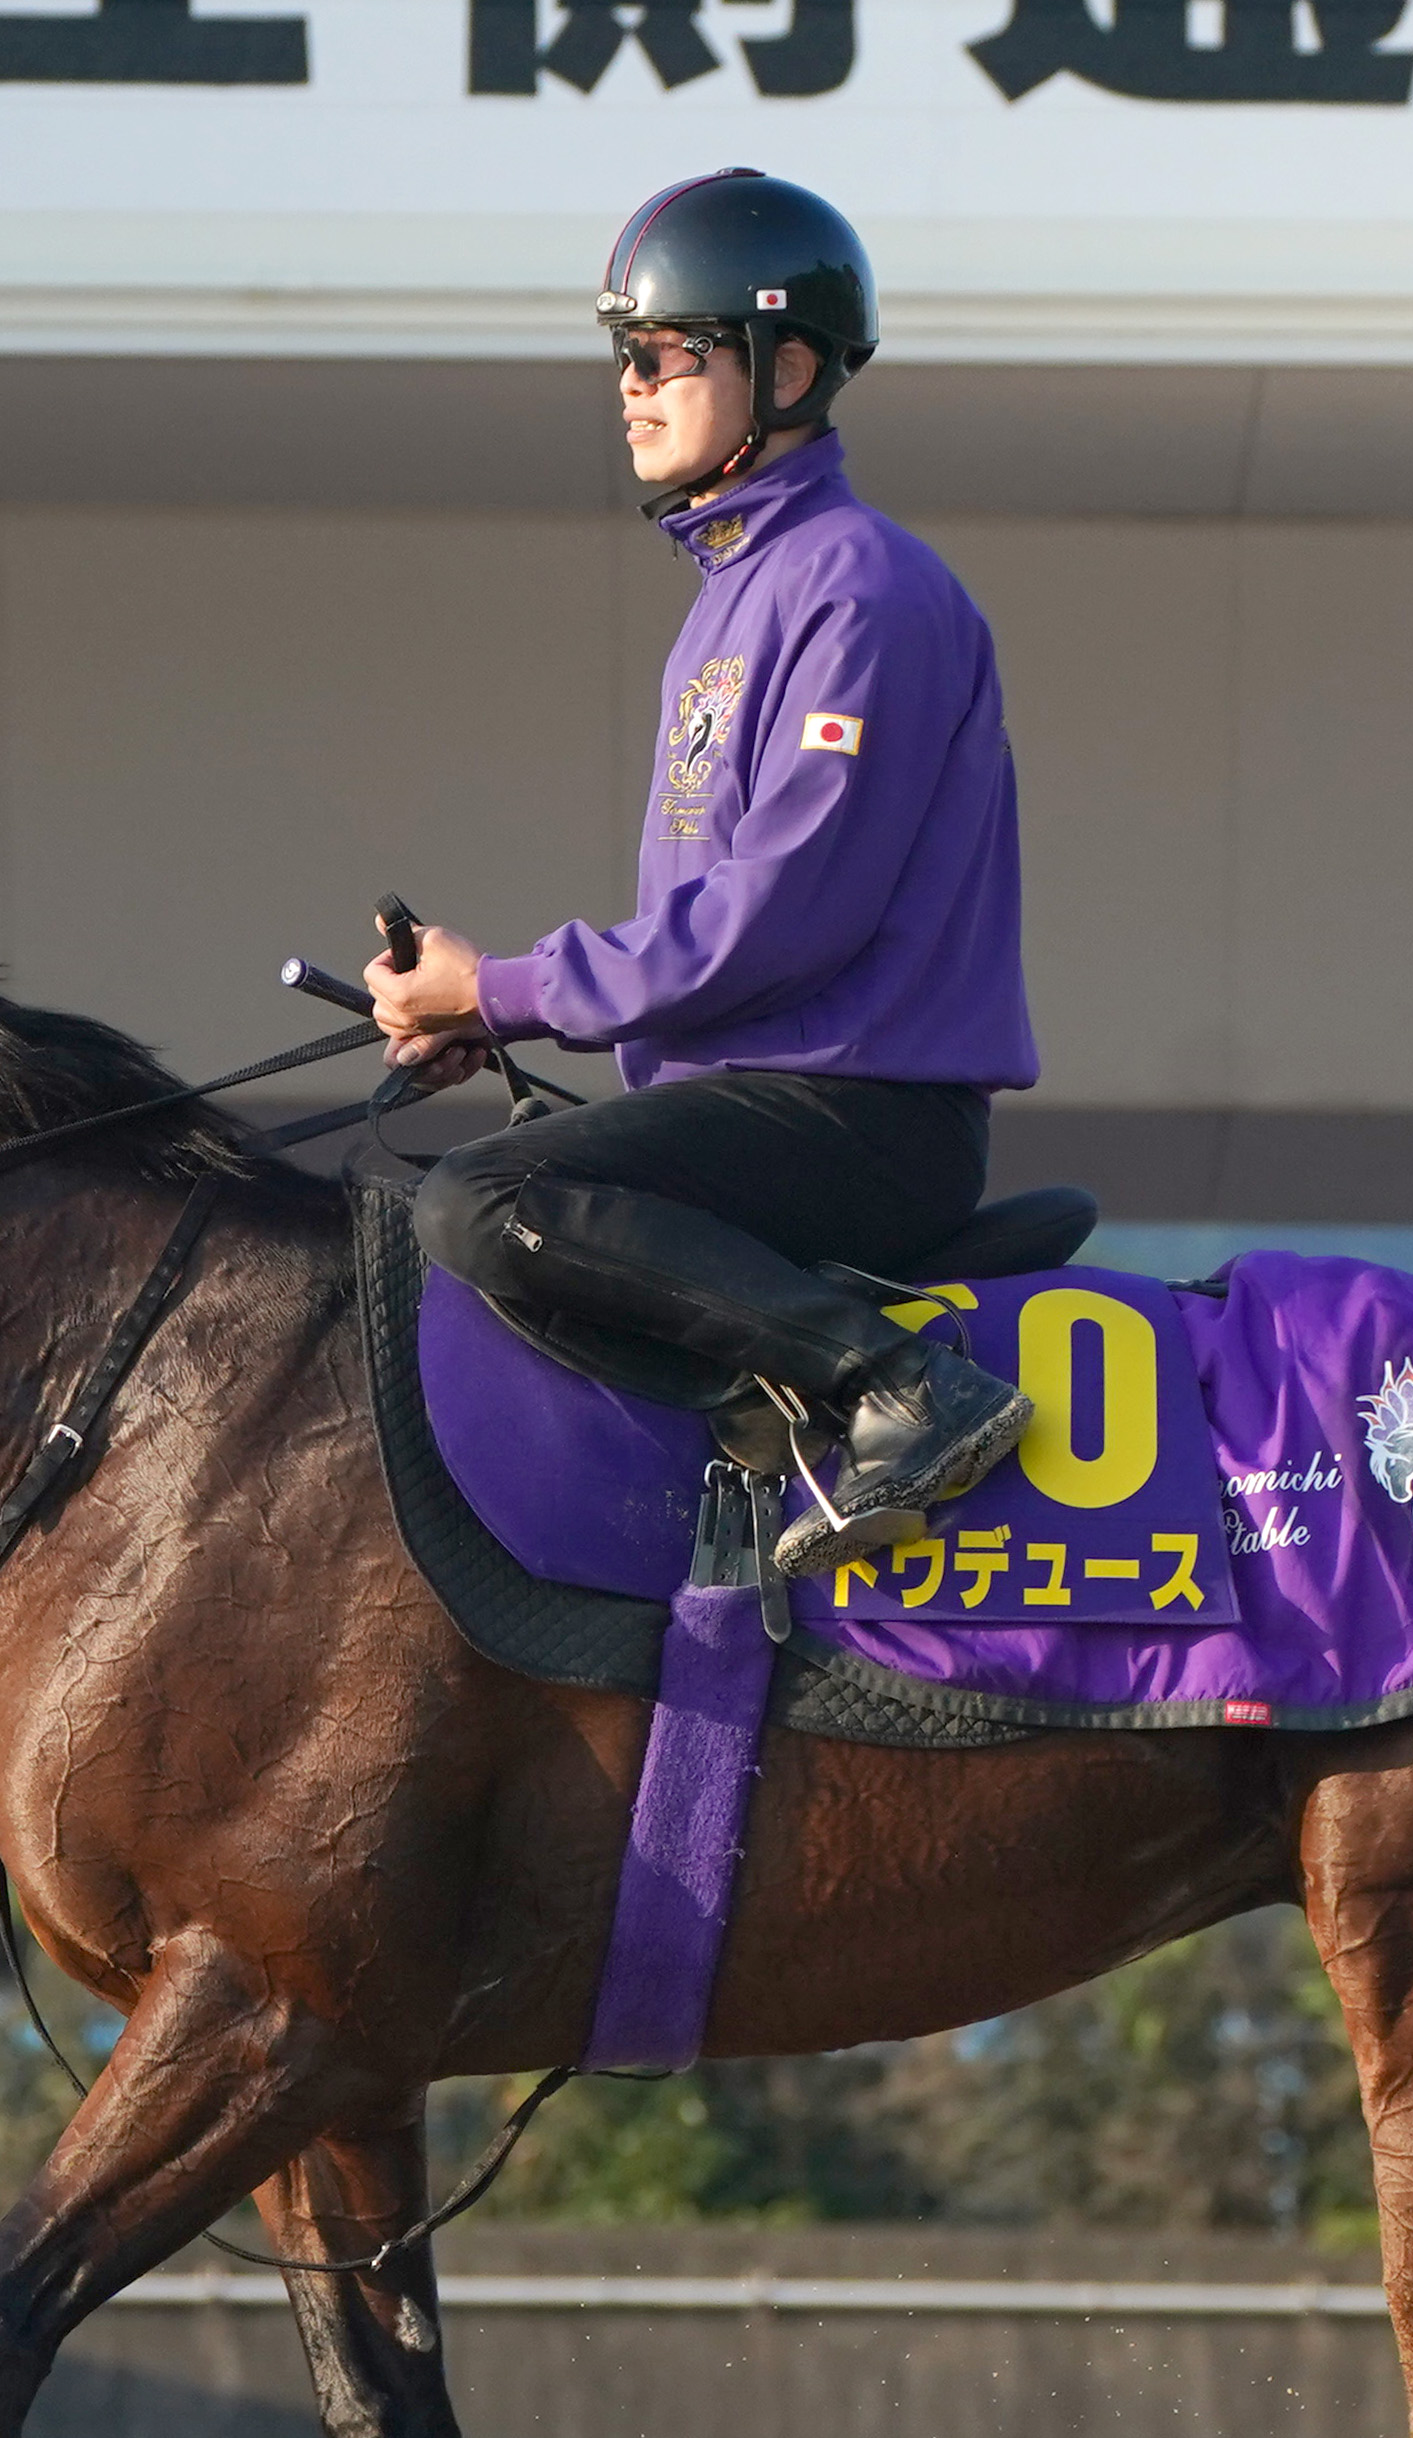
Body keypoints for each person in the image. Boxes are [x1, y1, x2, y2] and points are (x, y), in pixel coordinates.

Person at [366, 168, 1041, 1583]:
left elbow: (783, 916)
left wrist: (505, 988)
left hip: (860, 1119)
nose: (631, 386)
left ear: (787, 366)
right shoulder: (738, 594)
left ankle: (891, 1392)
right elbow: (716, 938)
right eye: (624, 356)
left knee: (478, 1205)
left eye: (668, 355)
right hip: (768, 1100)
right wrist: (490, 1014)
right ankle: (771, 1435)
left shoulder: (858, 588)